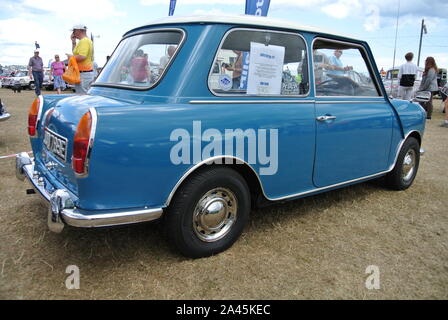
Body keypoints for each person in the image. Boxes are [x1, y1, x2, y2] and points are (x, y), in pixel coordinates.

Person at [69, 24, 94, 94]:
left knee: (82, 97)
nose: (73, 33)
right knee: (82, 96)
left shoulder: (84, 41)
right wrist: (73, 42)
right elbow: (75, 54)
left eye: (74, 31)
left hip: (84, 74)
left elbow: (82, 57)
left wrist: (70, 57)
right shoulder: (84, 41)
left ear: (80, 31)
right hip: (84, 73)